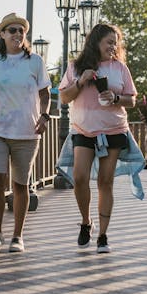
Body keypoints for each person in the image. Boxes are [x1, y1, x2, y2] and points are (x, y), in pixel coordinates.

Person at [59, 22, 137, 254]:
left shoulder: (119, 68)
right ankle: (86, 222)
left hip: (113, 129)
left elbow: (131, 99)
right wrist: (81, 81)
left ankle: (103, 235)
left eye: (116, 43)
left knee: (105, 181)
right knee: (80, 177)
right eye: (109, 42)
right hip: (83, 129)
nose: (113, 47)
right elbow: (64, 97)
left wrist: (115, 97)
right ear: (96, 43)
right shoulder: (75, 67)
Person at [0, 13, 51, 254]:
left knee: (20, 184)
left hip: (26, 131)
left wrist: (45, 115)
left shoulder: (35, 62)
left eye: (21, 30)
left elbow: (44, 93)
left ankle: (17, 236)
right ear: (3, 34)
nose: (18, 34)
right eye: (13, 30)